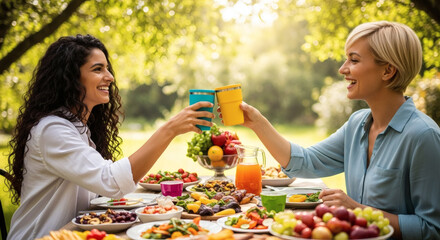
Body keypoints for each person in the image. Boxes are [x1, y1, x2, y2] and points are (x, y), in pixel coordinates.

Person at [226, 21, 440, 239]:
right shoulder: (357, 125)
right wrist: (258, 123)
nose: (342, 69)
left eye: (354, 60)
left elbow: (432, 230)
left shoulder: (423, 136)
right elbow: (305, 162)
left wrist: (355, 209)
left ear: (388, 70)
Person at [6, 34, 214, 239]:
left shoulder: (78, 128)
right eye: (98, 69)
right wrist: (169, 129)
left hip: (77, 232)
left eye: (107, 68)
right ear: (70, 78)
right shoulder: (52, 130)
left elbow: (104, 188)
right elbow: (111, 182)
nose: (110, 77)